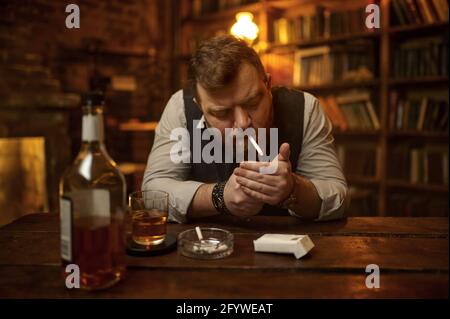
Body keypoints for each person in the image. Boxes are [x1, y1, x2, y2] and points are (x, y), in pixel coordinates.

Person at [142, 35, 348, 223]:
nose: (242, 123)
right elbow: (153, 193)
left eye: (252, 102)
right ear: (199, 106)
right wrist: (220, 196)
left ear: (267, 85)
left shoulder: (305, 108)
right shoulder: (181, 107)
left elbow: (339, 197)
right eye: (222, 114)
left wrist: (292, 189)